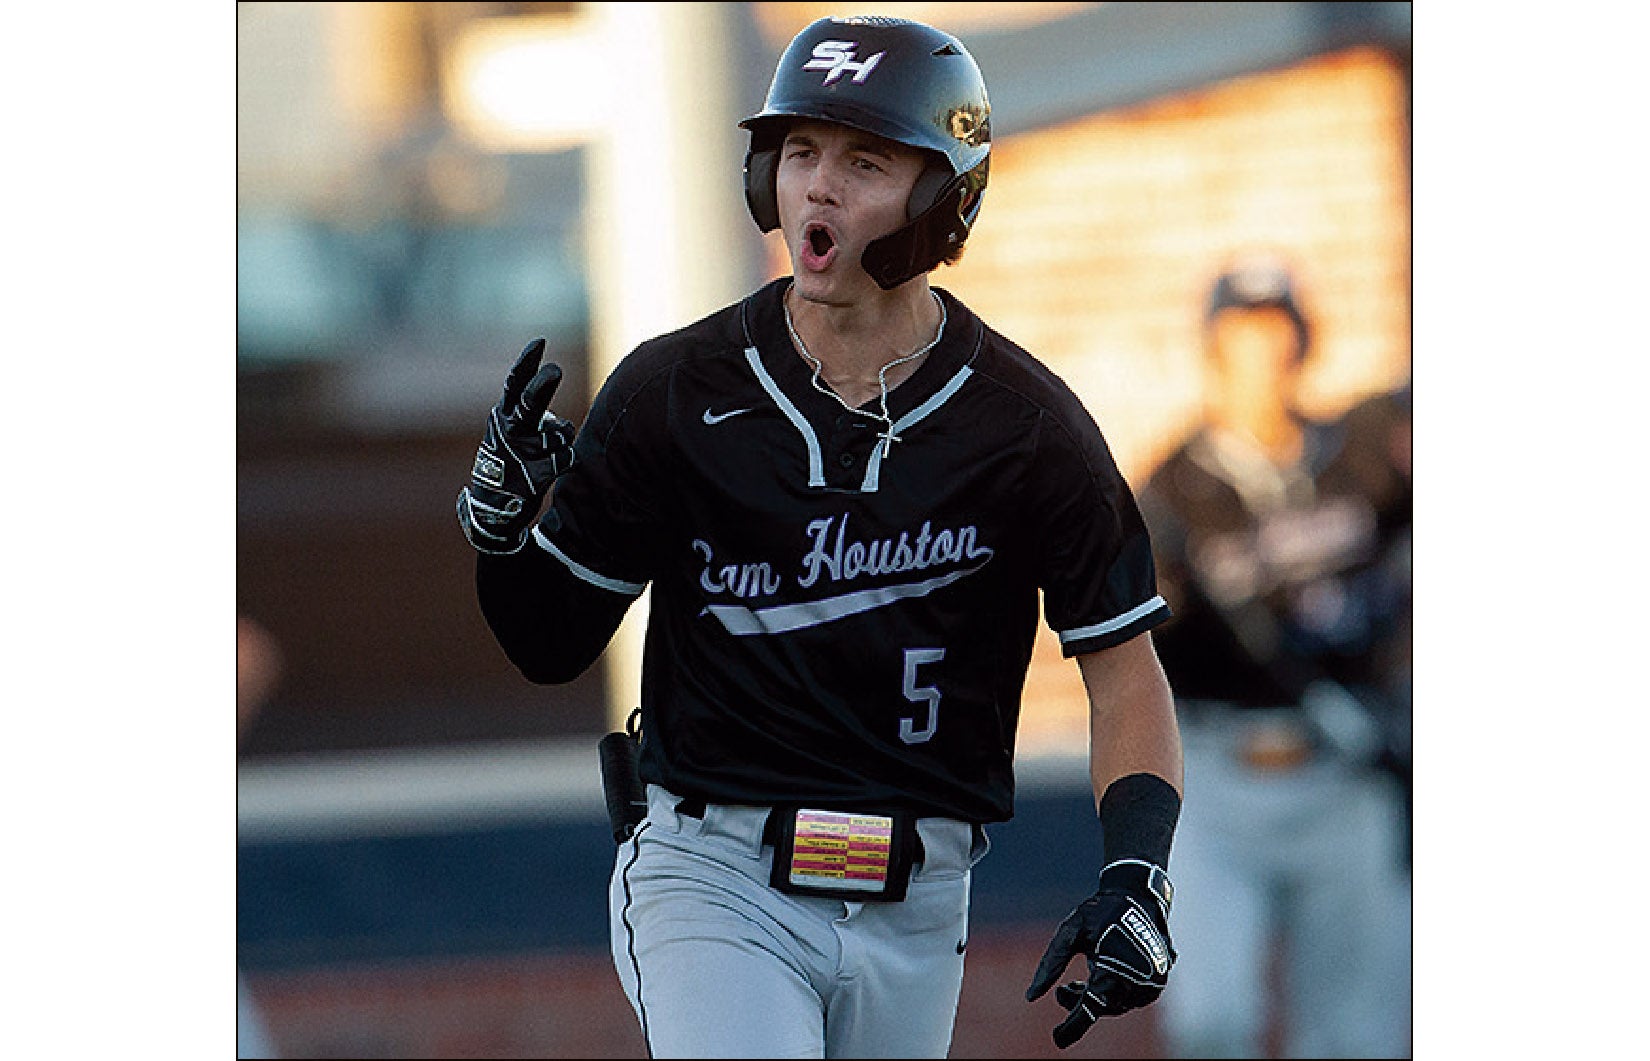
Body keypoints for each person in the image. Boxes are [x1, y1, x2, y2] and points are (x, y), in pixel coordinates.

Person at [457, 16, 1183, 1058]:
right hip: (714, 875)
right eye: (800, 152)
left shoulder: (1026, 425)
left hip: (921, 901)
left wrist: (1136, 873)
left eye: (865, 159)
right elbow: (547, 642)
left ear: (945, 196)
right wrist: (498, 528)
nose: (818, 187)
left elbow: (1125, 672)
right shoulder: (675, 389)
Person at [1138, 256, 1411, 1058]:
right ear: (1214, 349)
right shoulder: (1171, 493)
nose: (1263, 355)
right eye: (1242, 336)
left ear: (1303, 342)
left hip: (1348, 769)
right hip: (1223, 775)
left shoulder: (1362, 458)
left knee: (1359, 1035)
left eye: (1276, 333)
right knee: (1211, 1021)